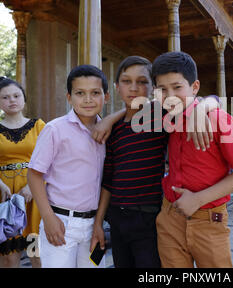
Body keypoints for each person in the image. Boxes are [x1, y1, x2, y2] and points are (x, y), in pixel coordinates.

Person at [90, 56, 221, 268]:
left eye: (142, 81)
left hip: (149, 218)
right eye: (126, 81)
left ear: (153, 89)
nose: (134, 88)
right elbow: (108, 179)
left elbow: (214, 98)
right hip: (117, 218)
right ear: (116, 87)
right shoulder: (112, 130)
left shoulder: (160, 116)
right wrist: (98, 222)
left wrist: (202, 107)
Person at [152, 51, 233, 268]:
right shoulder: (167, 119)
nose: (169, 95)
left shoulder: (219, 120)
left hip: (209, 218)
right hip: (170, 215)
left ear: (194, 87)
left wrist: (198, 199)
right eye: (162, 89)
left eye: (177, 87)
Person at [27, 65, 110, 268]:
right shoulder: (55, 129)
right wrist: (48, 218)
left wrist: (98, 224)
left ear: (106, 97)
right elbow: (34, 175)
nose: (88, 99)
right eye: (80, 93)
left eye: (95, 93)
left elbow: (107, 180)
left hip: (94, 225)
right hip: (61, 221)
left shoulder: (108, 132)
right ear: (69, 97)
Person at [0, 77, 45, 268]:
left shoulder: (39, 125)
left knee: (36, 248)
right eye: (5, 97)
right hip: (4, 195)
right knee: (9, 253)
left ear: (24, 98)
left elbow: (49, 162)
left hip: (34, 191)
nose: (12, 100)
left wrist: (32, 186)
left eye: (16, 95)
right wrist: (1, 186)